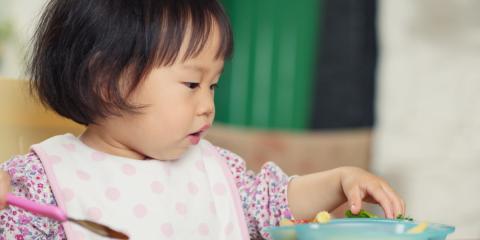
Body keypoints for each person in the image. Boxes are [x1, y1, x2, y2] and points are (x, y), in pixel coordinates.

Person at [0, 0, 405, 239]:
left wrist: (338, 181)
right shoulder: (39, 184)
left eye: (214, 85)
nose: (208, 105)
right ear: (108, 83)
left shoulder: (214, 170)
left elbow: (275, 203)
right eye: (192, 84)